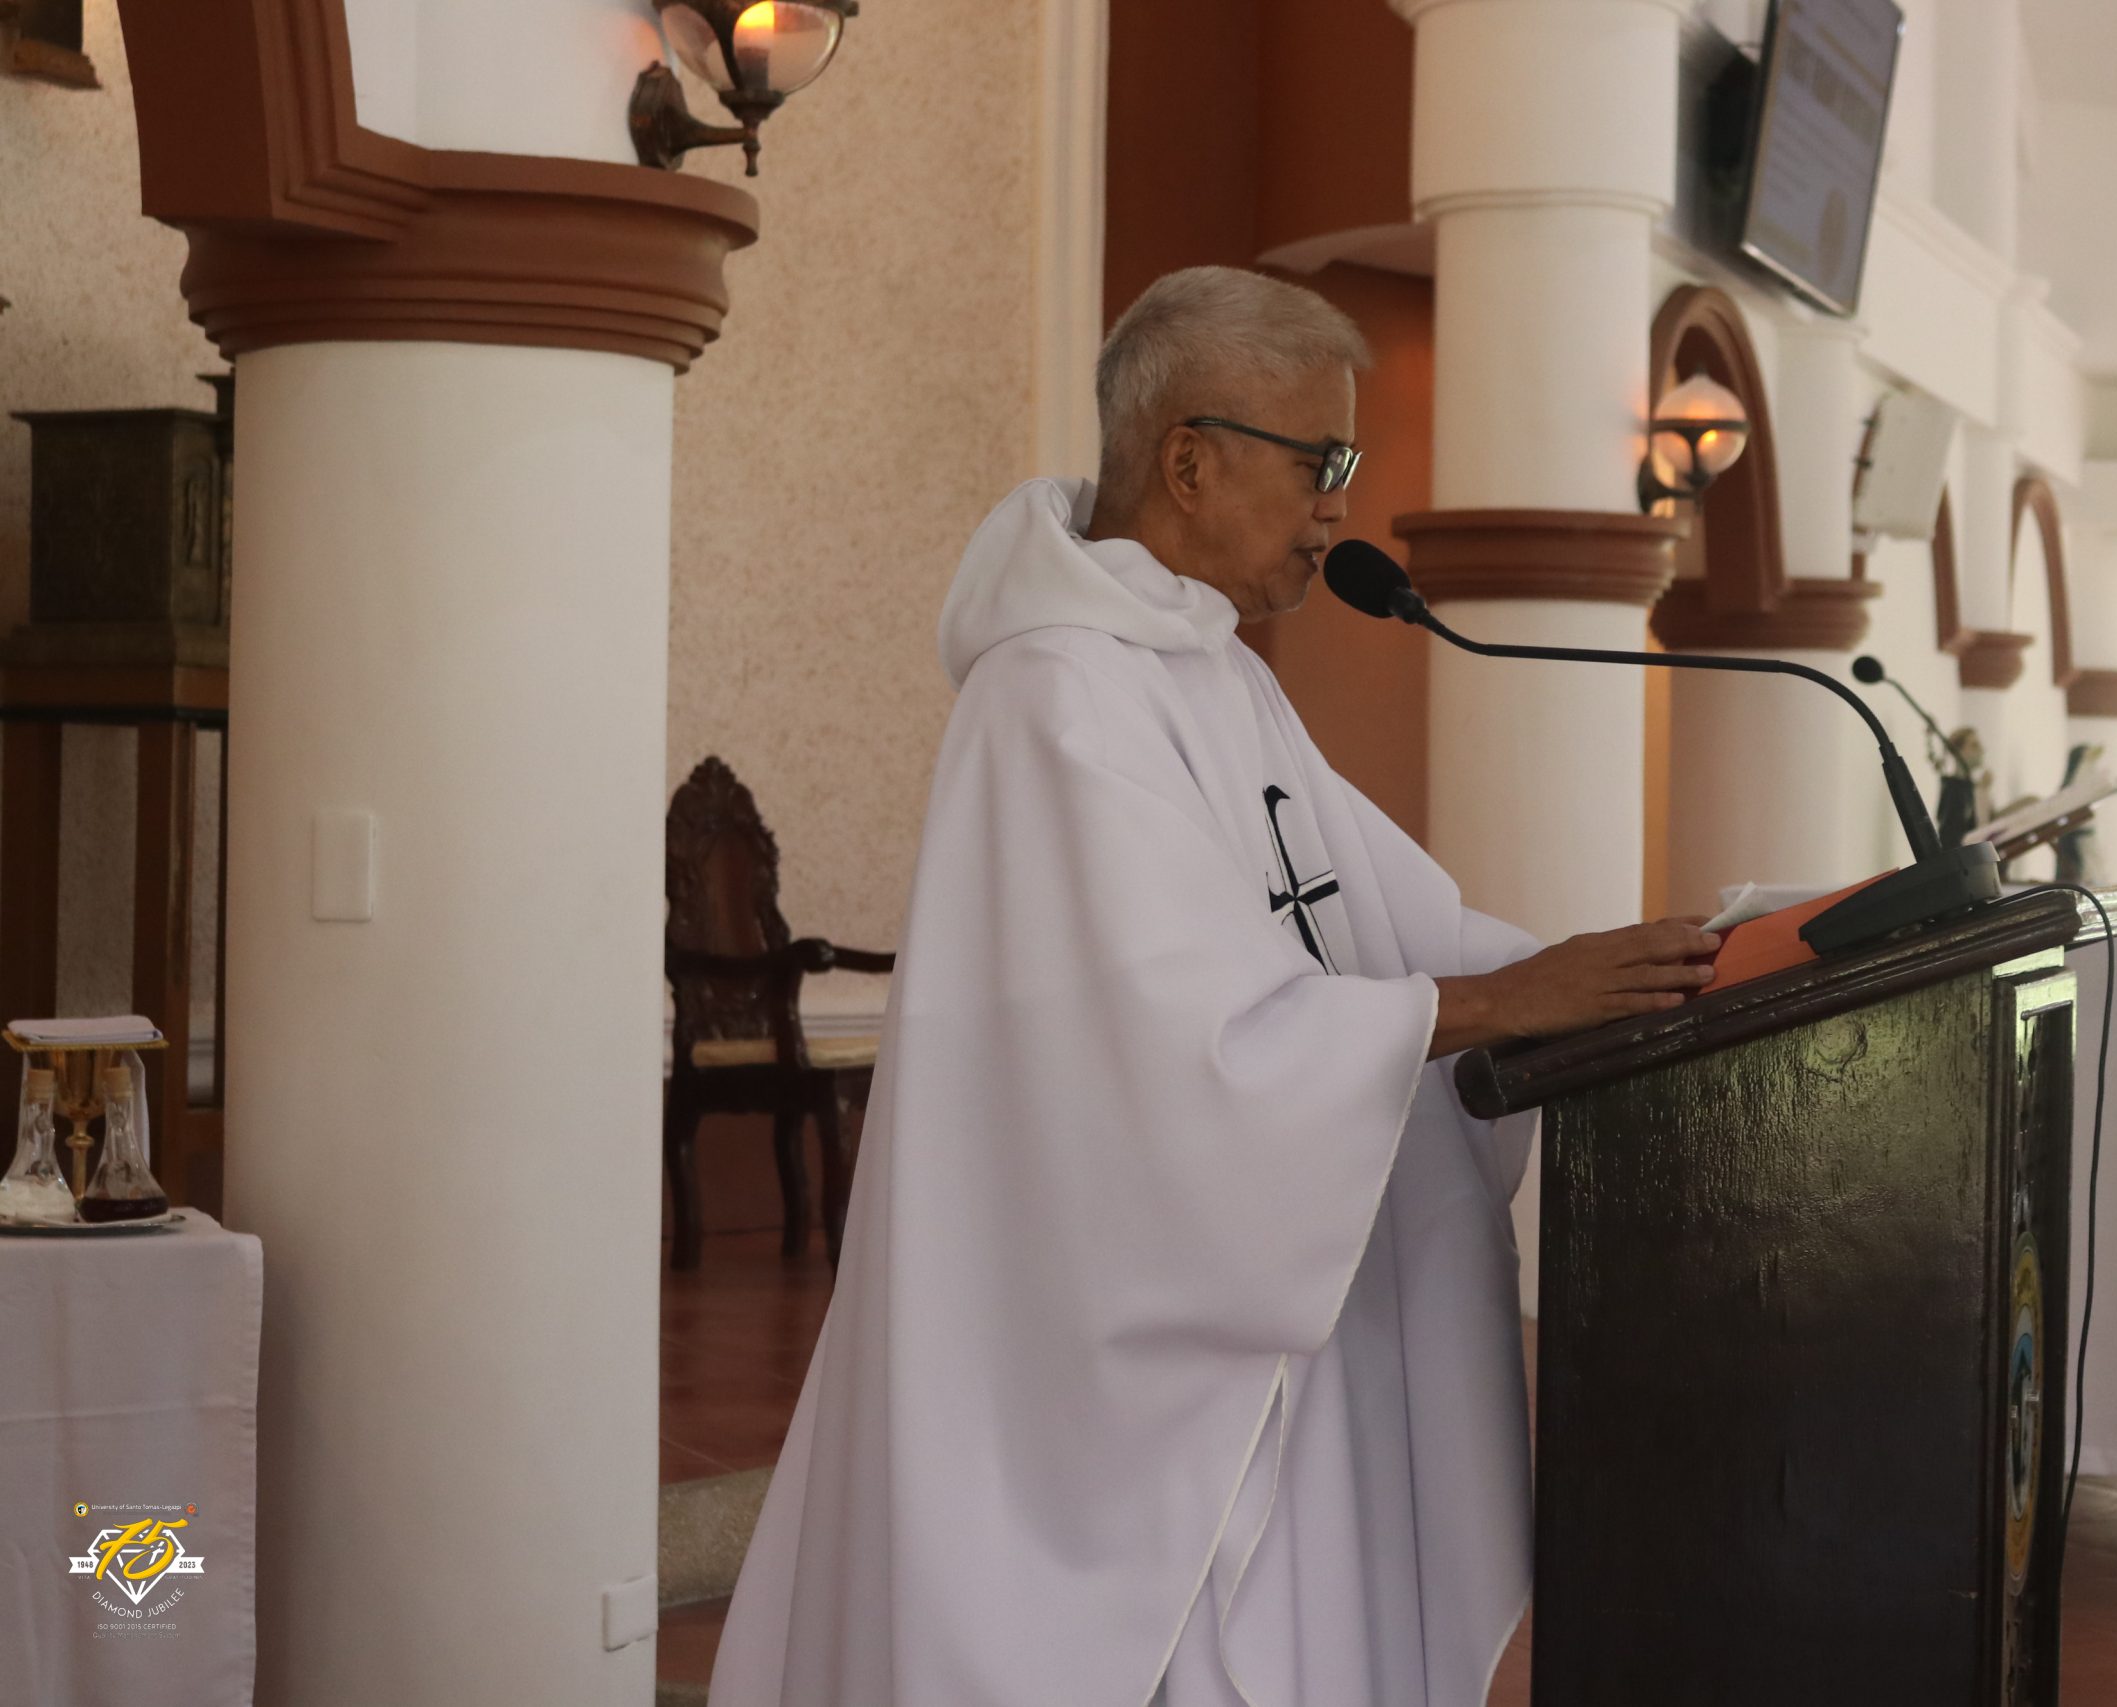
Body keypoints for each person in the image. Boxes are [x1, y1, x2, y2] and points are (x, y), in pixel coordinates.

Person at [708, 265, 1721, 1707]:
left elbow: (1394, 927)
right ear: (1189, 461)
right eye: (1322, 465)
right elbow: (1177, 1053)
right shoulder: (1055, 696)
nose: (1336, 511)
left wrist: (1664, 973)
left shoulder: (1214, 673)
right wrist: (1505, 1004)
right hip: (1120, 1372)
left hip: (1278, 1322)